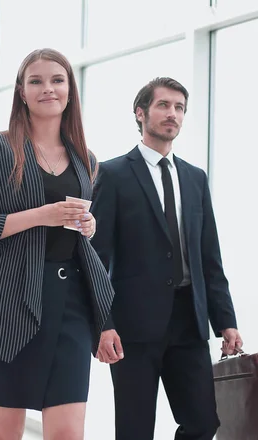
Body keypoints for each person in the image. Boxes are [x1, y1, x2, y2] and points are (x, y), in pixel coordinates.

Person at [0, 48, 115, 440]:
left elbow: (75, 232)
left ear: (70, 91)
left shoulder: (85, 158)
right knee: (5, 434)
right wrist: (40, 215)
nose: (48, 89)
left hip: (70, 304)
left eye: (57, 80)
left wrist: (86, 225)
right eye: (36, 81)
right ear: (21, 92)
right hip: (8, 302)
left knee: (67, 433)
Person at [91, 77, 243, 440]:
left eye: (179, 108)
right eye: (164, 105)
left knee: (204, 423)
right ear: (140, 113)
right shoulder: (112, 174)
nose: (172, 114)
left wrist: (226, 322)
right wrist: (102, 324)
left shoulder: (194, 177)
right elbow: (95, 258)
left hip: (189, 322)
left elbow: (210, 258)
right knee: (135, 429)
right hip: (132, 327)